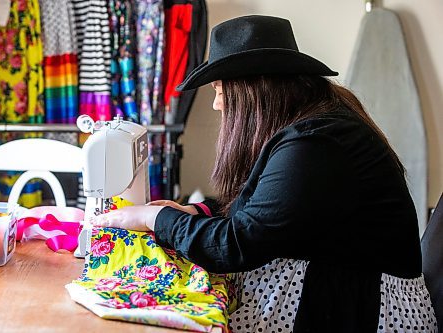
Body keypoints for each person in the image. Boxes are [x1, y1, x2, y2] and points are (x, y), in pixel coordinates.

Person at [91, 15, 437, 332]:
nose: (217, 104)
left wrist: (155, 218)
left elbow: (236, 246)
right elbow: (268, 207)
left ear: (251, 88)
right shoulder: (311, 125)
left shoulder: (319, 141)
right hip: (331, 290)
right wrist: (196, 211)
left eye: (219, 90)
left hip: (357, 311)